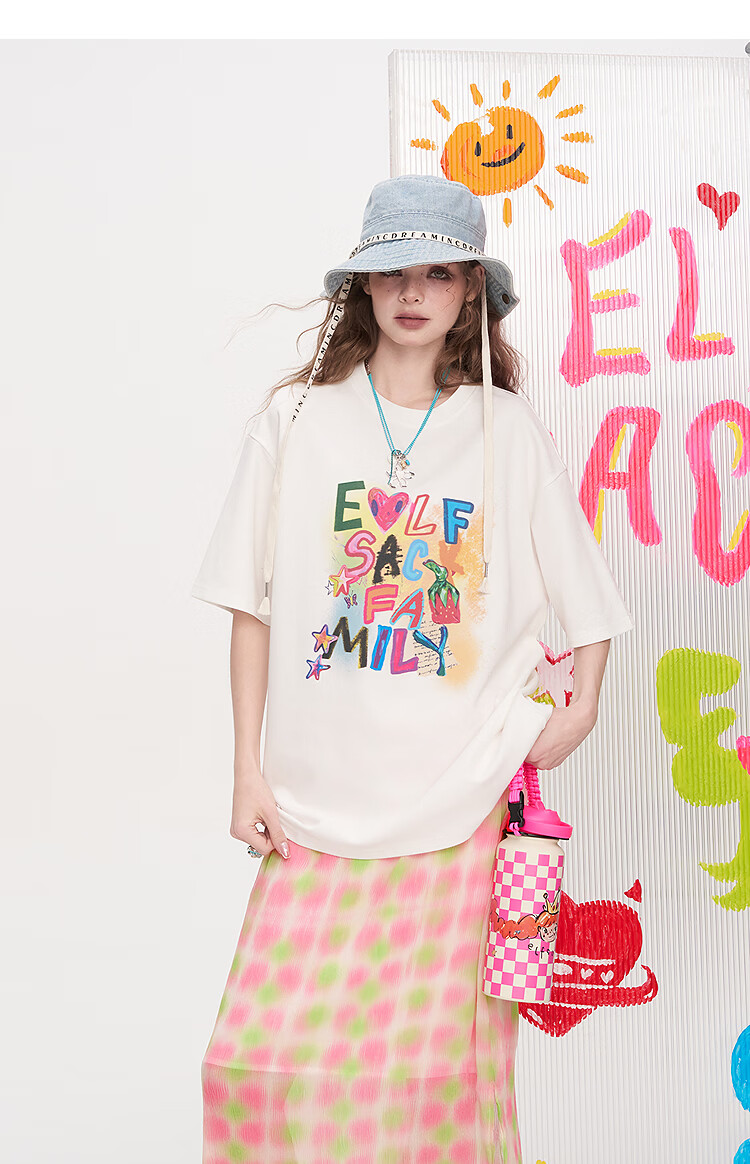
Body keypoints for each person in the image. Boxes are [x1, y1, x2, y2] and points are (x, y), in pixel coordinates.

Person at [191, 173, 634, 1163]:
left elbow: (589, 596)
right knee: (254, 1066)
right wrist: (246, 770)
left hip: (460, 797)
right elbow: (248, 606)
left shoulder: (504, 429)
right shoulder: (296, 422)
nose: (413, 292)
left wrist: (584, 707)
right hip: (313, 803)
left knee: (433, 1083)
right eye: (394, 270)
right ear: (363, 284)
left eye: (438, 272)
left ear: (471, 290)